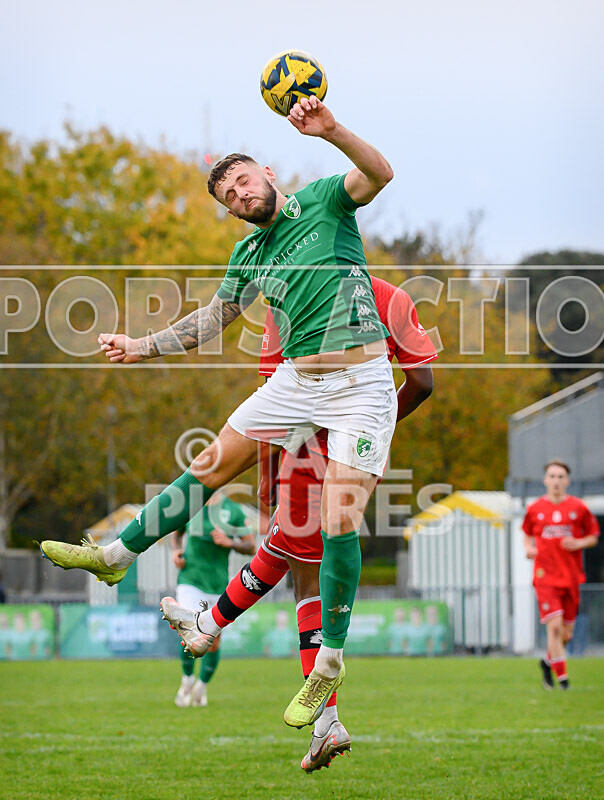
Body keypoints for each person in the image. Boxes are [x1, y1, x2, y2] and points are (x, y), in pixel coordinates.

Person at [41, 94, 397, 726]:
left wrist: (330, 128)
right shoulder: (249, 257)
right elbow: (211, 320)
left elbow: (380, 174)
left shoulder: (323, 199)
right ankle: (116, 557)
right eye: (229, 195)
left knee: (340, 521)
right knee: (208, 464)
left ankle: (328, 666)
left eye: (242, 180)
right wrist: (141, 345)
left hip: (364, 385)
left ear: (268, 174)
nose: (238, 194)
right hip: (296, 381)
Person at [162, 276, 436, 770]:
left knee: (289, 553)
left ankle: (207, 625)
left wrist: (269, 482)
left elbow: (273, 407)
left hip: (310, 448)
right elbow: (423, 382)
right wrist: (374, 423)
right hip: (360, 451)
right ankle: (327, 725)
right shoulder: (390, 295)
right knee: (299, 565)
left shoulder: (286, 303)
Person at [170, 492, 255, 707]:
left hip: (217, 584)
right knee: (188, 629)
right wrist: (176, 551)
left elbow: (250, 546)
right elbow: (176, 533)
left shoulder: (234, 511)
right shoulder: (191, 506)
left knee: (213, 640)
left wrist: (229, 542)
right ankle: (187, 678)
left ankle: (202, 686)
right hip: (190, 579)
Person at [522, 459, 600, 690]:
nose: (556, 481)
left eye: (560, 476)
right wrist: (528, 549)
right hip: (545, 577)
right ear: (545, 480)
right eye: (552, 476)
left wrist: (579, 542)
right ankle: (563, 679)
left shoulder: (578, 507)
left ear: (567, 480)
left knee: (566, 633)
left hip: (571, 577)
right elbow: (526, 534)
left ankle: (547, 662)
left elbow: (593, 536)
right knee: (554, 627)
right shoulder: (535, 509)